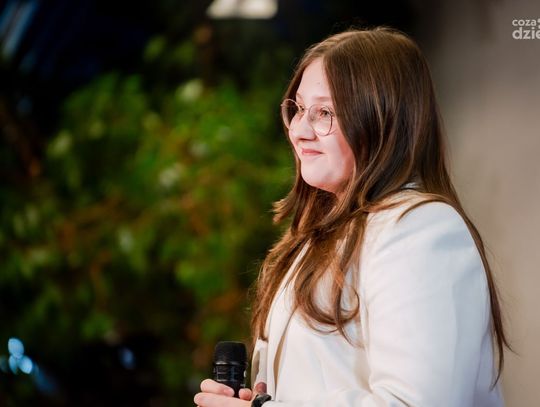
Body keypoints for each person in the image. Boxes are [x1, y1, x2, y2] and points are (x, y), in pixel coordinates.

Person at [194, 26, 509, 407]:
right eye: (298, 109)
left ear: (382, 120)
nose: (299, 131)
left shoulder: (421, 229)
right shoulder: (317, 238)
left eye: (324, 112)